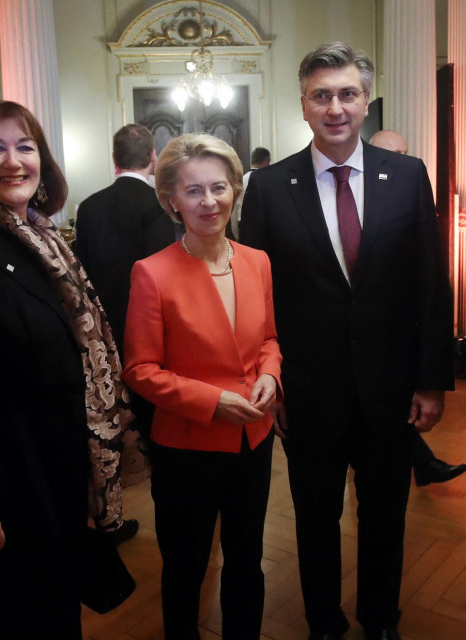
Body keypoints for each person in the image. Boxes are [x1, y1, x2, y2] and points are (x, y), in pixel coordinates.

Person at [240, 42, 454, 640]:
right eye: (322, 96)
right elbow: (259, 303)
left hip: (392, 389)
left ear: (366, 102)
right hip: (309, 393)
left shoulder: (407, 176)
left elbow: (429, 282)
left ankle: (382, 620)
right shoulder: (268, 186)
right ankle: (323, 622)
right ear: (304, 105)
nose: (336, 108)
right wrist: (273, 384)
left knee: (386, 515)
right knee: (314, 519)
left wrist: (431, 379)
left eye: (348, 94)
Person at [122, 132, 282, 640]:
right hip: (187, 448)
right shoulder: (151, 274)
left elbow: (269, 340)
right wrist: (213, 401)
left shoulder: (257, 261)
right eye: (193, 191)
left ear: (234, 189)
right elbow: (140, 369)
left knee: (247, 560)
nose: (208, 201)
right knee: (186, 568)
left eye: (219, 187)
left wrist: (271, 376)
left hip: (253, 441)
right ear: (170, 199)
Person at [0, 100, 134, 638]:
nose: (13, 160)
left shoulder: (44, 239)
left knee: (56, 611)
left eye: (25, 146)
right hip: (9, 482)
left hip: (59, 472)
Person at [76, 126, 177, 545]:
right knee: (156, 428)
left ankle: (110, 517)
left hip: (99, 335)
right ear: (152, 157)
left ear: (113, 158)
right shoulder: (155, 205)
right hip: (145, 334)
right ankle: (171, 512)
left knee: (107, 427)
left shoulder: (90, 206)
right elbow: (161, 277)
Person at [369, 128, 466, 487]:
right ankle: (425, 465)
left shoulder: (413, 190)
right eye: (393, 153)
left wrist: (433, 378)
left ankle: (423, 465)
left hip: (404, 343)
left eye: (405, 152)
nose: (402, 161)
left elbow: (431, 281)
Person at [230, 146, 271, 240]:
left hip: (243, 224)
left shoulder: (241, 180)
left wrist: (235, 232)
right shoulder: (269, 180)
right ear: (267, 161)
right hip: (265, 226)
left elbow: (235, 208)